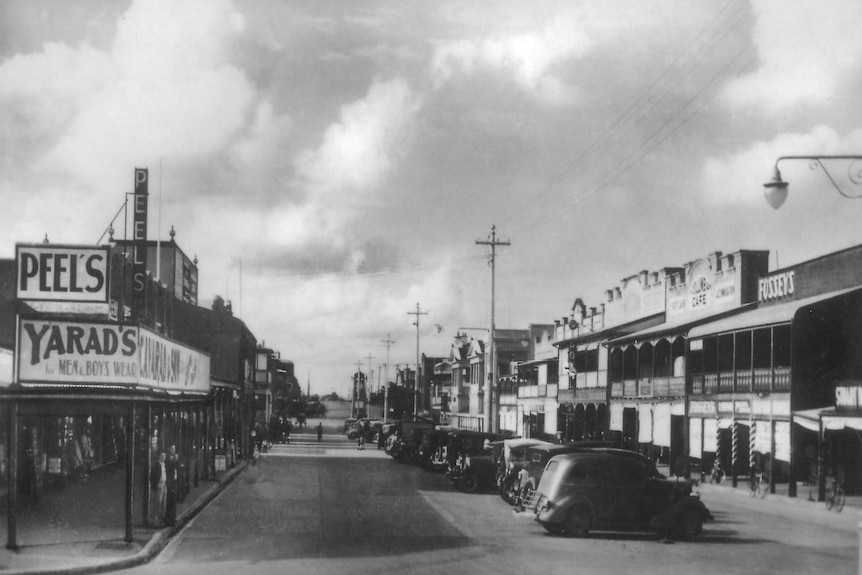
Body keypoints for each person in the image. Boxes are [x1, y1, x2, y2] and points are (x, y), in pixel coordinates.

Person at [149, 451, 167, 527]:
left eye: (164, 456)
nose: (163, 457)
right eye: (162, 456)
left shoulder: (165, 465)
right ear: (159, 456)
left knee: (163, 504)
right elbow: (152, 476)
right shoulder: (156, 465)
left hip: (164, 485)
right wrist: (156, 484)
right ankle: (156, 522)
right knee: (158, 504)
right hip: (159, 486)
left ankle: (162, 521)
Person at [165, 445, 179, 526]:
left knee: (174, 502)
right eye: (172, 449)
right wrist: (174, 461)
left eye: (174, 449)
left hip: (175, 482)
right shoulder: (168, 459)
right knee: (169, 502)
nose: (174, 450)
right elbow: (170, 468)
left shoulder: (175, 458)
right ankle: (169, 520)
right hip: (170, 483)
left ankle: (173, 519)